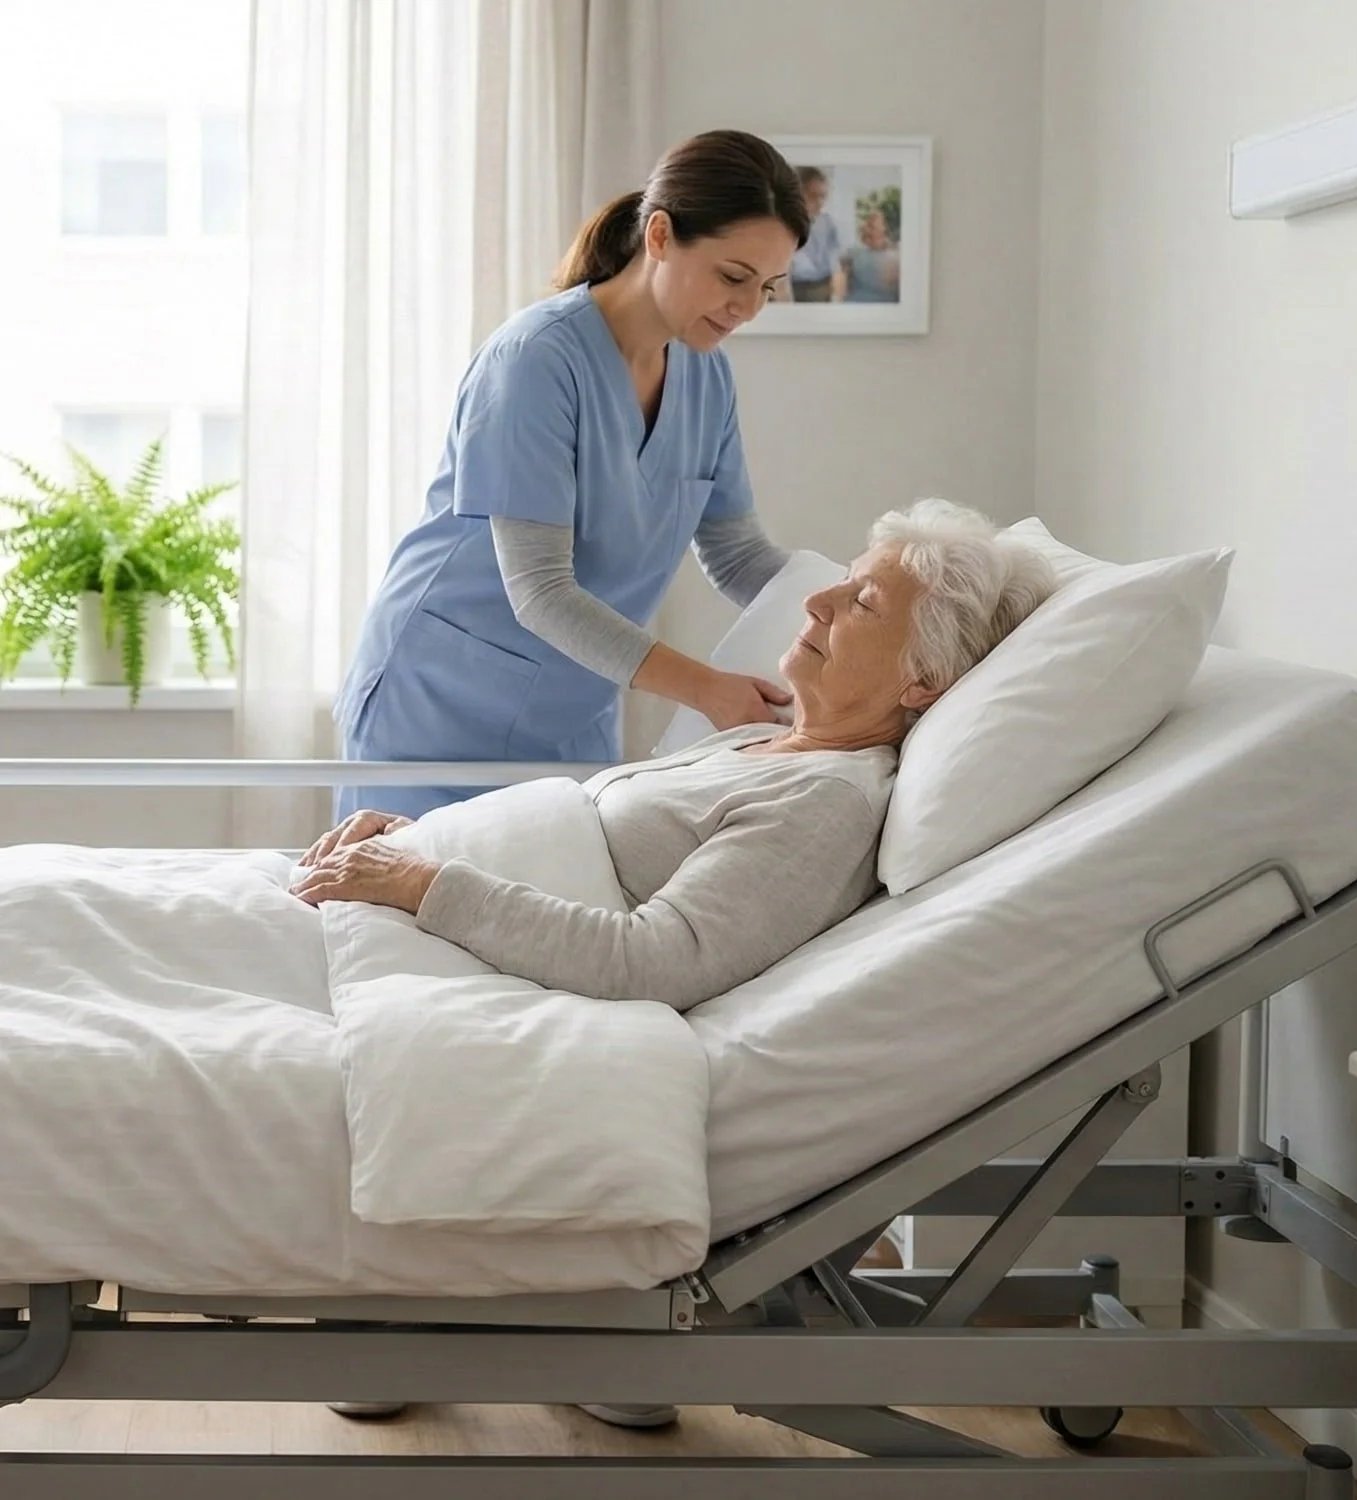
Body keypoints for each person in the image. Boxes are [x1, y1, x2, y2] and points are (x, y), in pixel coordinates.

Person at [323, 499, 1056, 1431]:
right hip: (413, 927)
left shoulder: (822, 801)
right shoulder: (765, 741)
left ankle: (470, 1307)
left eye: (864, 602)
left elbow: (652, 961)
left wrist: (423, 882)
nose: (821, 599)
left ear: (924, 681)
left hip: (453, 956)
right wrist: (416, 845)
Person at [330, 130, 812, 824]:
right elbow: (540, 591)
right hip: (436, 708)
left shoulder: (706, 375)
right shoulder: (536, 361)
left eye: (767, 287)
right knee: (399, 917)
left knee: (553, 915)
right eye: (733, 277)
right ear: (660, 236)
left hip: (571, 710)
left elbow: (737, 555)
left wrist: (852, 612)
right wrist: (705, 688)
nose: (747, 309)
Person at [787, 165, 844, 303]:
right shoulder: (784, 224)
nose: (819, 203)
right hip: (794, 288)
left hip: (822, 286)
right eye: (813, 197)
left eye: (822, 197)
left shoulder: (827, 223)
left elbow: (835, 261)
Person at [842, 207, 901, 303]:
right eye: (868, 225)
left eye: (873, 226)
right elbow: (840, 267)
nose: (869, 229)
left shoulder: (896, 255)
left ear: (884, 228)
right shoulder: (855, 252)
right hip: (853, 304)